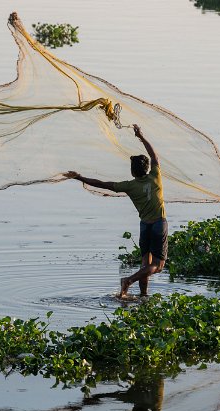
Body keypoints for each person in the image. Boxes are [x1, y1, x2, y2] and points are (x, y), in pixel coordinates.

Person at [65, 124, 167, 298]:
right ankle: (128, 280)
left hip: (145, 227)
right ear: (147, 168)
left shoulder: (129, 186)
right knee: (158, 266)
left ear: (133, 172)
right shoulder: (155, 176)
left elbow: (102, 184)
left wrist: (79, 177)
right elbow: (154, 155)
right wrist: (140, 136)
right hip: (158, 224)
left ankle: (143, 296)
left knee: (145, 264)